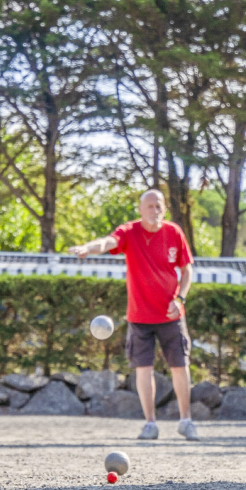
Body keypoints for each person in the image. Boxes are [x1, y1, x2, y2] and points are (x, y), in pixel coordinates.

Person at [68, 189, 199, 441]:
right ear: (140, 210)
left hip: (171, 313)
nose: (154, 210)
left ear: (164, 208)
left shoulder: (174, 232)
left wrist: (180, 298)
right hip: (139, 315)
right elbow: (108, 242)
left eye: (158, 205)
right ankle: (150, 423)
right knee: (143, 369)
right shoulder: (129, 231)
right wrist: (87, 248)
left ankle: (186, 420)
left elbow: (187, 269)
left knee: (180, 366)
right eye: (149, 206)